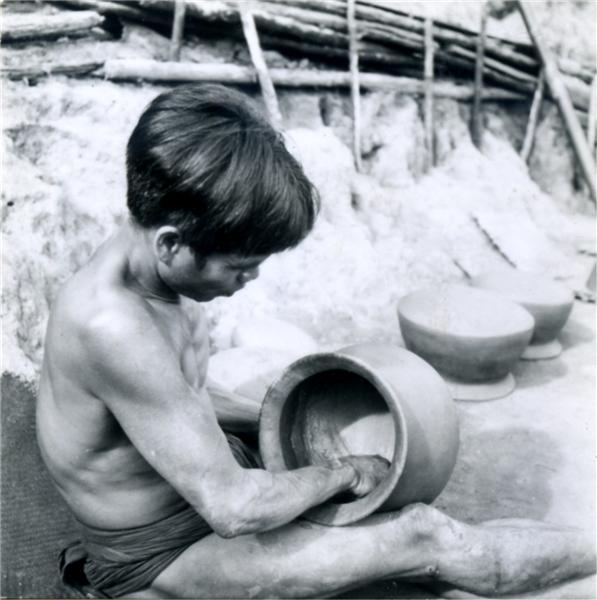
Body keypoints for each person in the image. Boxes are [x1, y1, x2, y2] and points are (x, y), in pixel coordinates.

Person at [37, 83, 594, 599]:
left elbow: (179, 398)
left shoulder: (155, 263)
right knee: (427, 536)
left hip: (201, 486)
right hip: (165, 553)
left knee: (319, 420)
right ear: (171, 244)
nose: (250, 278)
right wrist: (343, 470)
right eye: (240, 266)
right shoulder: (111, 326)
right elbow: (232, 507)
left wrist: (280, 415)